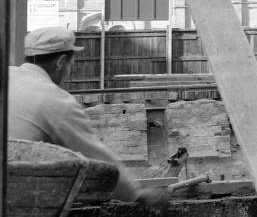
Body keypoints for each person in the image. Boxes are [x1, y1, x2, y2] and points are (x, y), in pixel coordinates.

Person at [9, 27, 165, 205]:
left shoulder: (6, 77)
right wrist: (136, 194)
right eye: (70, 64)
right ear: (60, 62)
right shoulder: (57, 101)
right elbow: (98, 158)